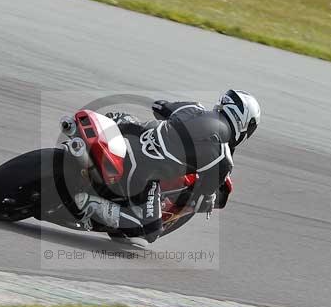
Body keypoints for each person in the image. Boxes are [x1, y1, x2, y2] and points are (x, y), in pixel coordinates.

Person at [74, 89, 261, 243]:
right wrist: (209, 198)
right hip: (142, 175)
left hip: (127, 140)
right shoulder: (222, 157)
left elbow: (159, 106)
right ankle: (89, 204)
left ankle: (79, 143)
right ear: (244, 124)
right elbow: (203, 193)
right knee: (150, 230)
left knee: (125, 119)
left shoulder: (193, 108)